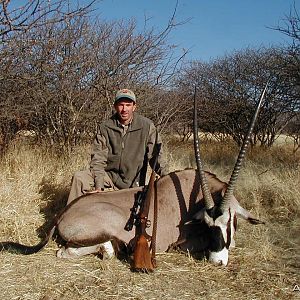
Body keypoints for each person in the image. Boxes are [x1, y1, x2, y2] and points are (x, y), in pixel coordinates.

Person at [67, 88, 169, 204]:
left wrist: (167, 177)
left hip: (133, 184)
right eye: (121, 105)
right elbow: (98, 159)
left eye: (128, 105)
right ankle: (69, 217)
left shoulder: (147, 126)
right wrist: (99, 185)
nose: (124, 109)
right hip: (109, 178)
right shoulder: (105, 127)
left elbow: (156, 157)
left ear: (134, 107)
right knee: (79, 178)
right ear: (115, 106)